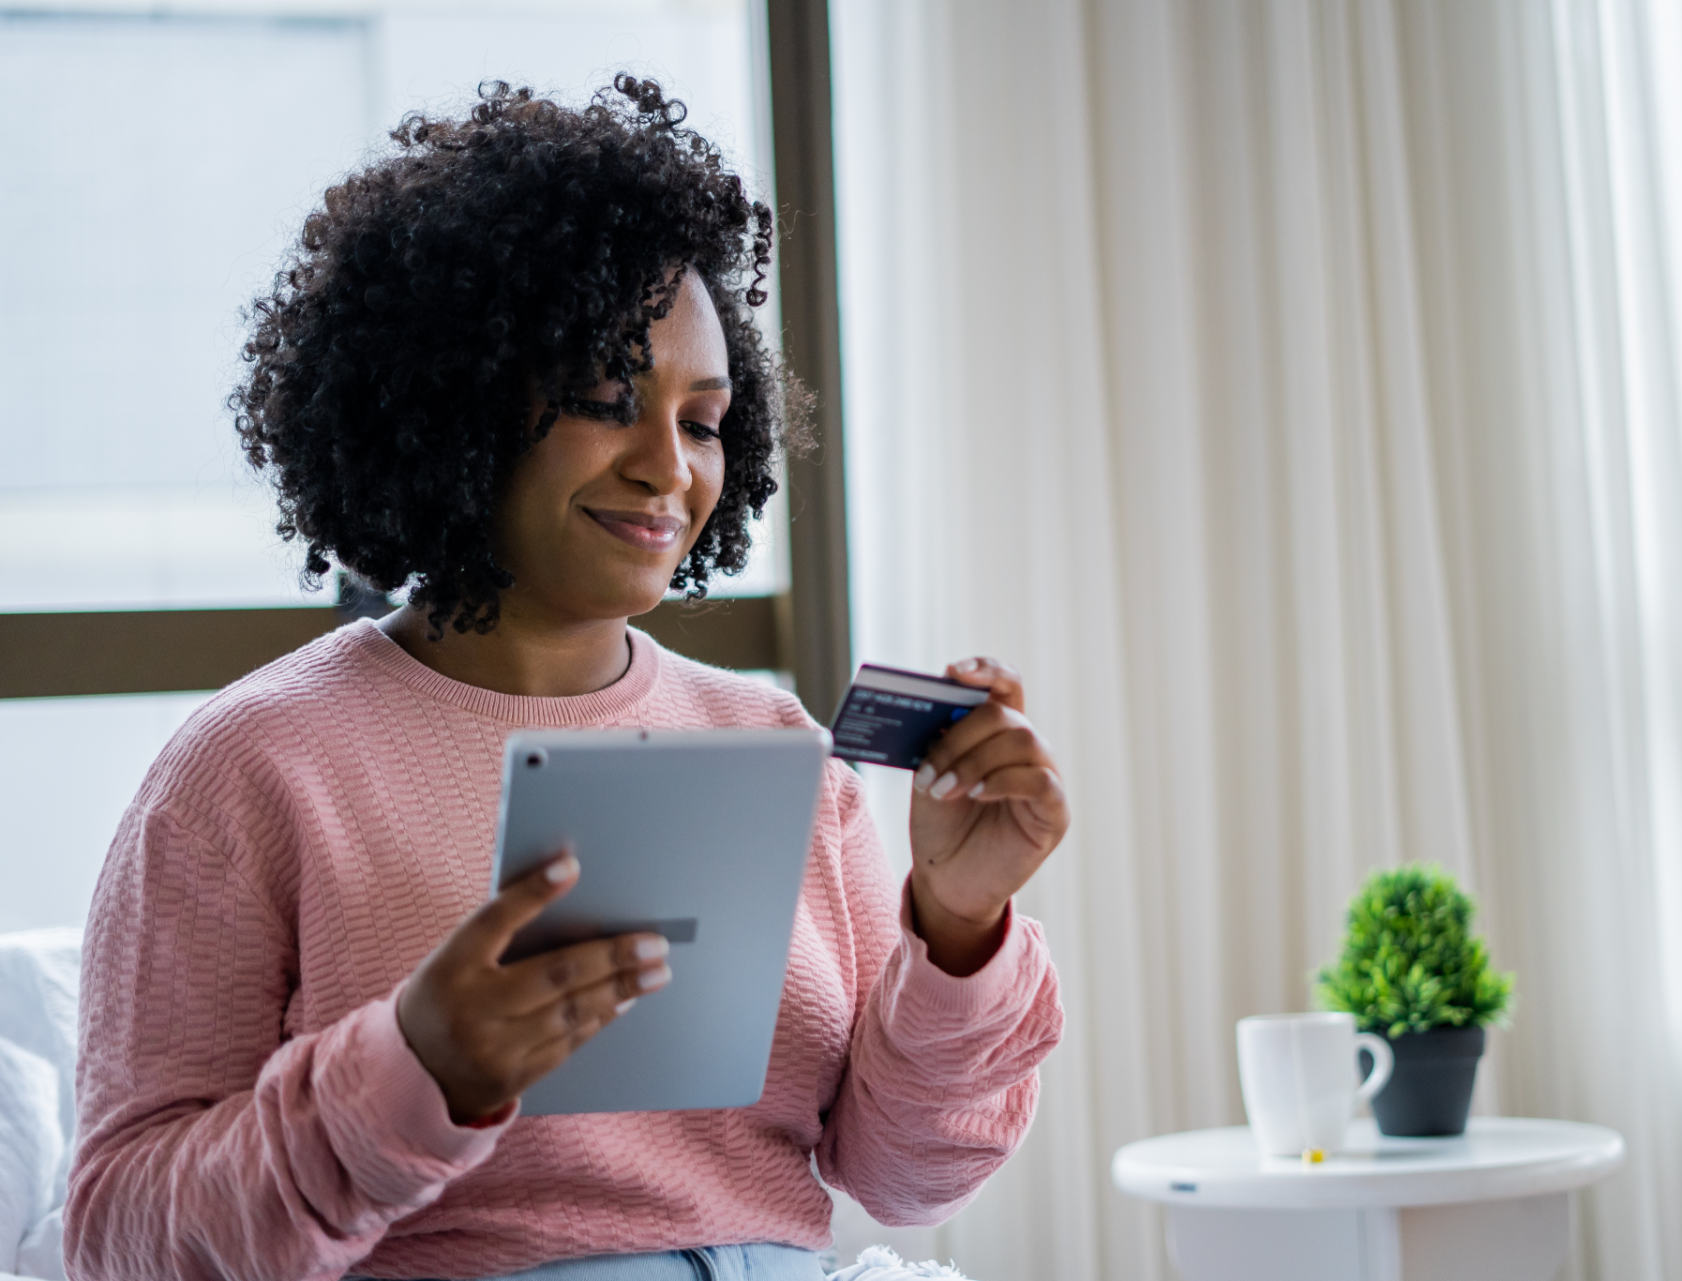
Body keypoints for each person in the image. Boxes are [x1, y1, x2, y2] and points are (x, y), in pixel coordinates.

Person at [65, 77, 1067, 1281]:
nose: (669, 470)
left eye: (703, 422)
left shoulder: (769, 741)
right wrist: (412, 1073)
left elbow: (906, 1180)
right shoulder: (253, 767)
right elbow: (122, 1242)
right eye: (605, 402)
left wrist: (956, 932)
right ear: (454, 403)